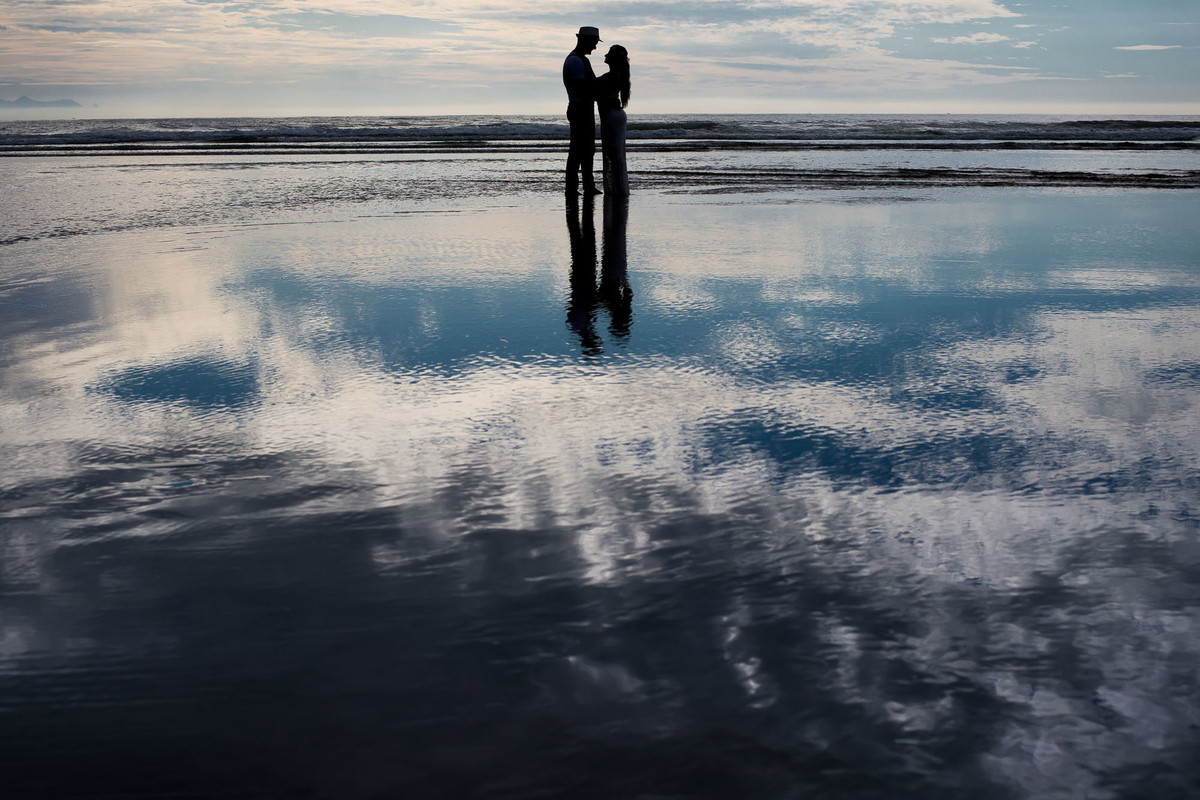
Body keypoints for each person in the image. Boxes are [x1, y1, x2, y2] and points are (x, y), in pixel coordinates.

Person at [563, 26, 602, 195]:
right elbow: (584, 88)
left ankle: (586, 185)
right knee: (579, 150)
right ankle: (573, 188)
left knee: (586, 150)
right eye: (593, 43)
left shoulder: (579, 60)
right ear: (584, 41)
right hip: (580, 109)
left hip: (582, 108)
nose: (595, 47)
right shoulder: (575, 61)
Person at [595, 45, 631, 196]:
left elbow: (593, 87)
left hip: (611, 116)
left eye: (608, 53)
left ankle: (617, 189)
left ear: (613, 59)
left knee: (614, 154)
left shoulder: (611, 76)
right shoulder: (616, 76)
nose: (605, 55)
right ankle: (617, 187)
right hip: (615, 116)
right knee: (616, 154)